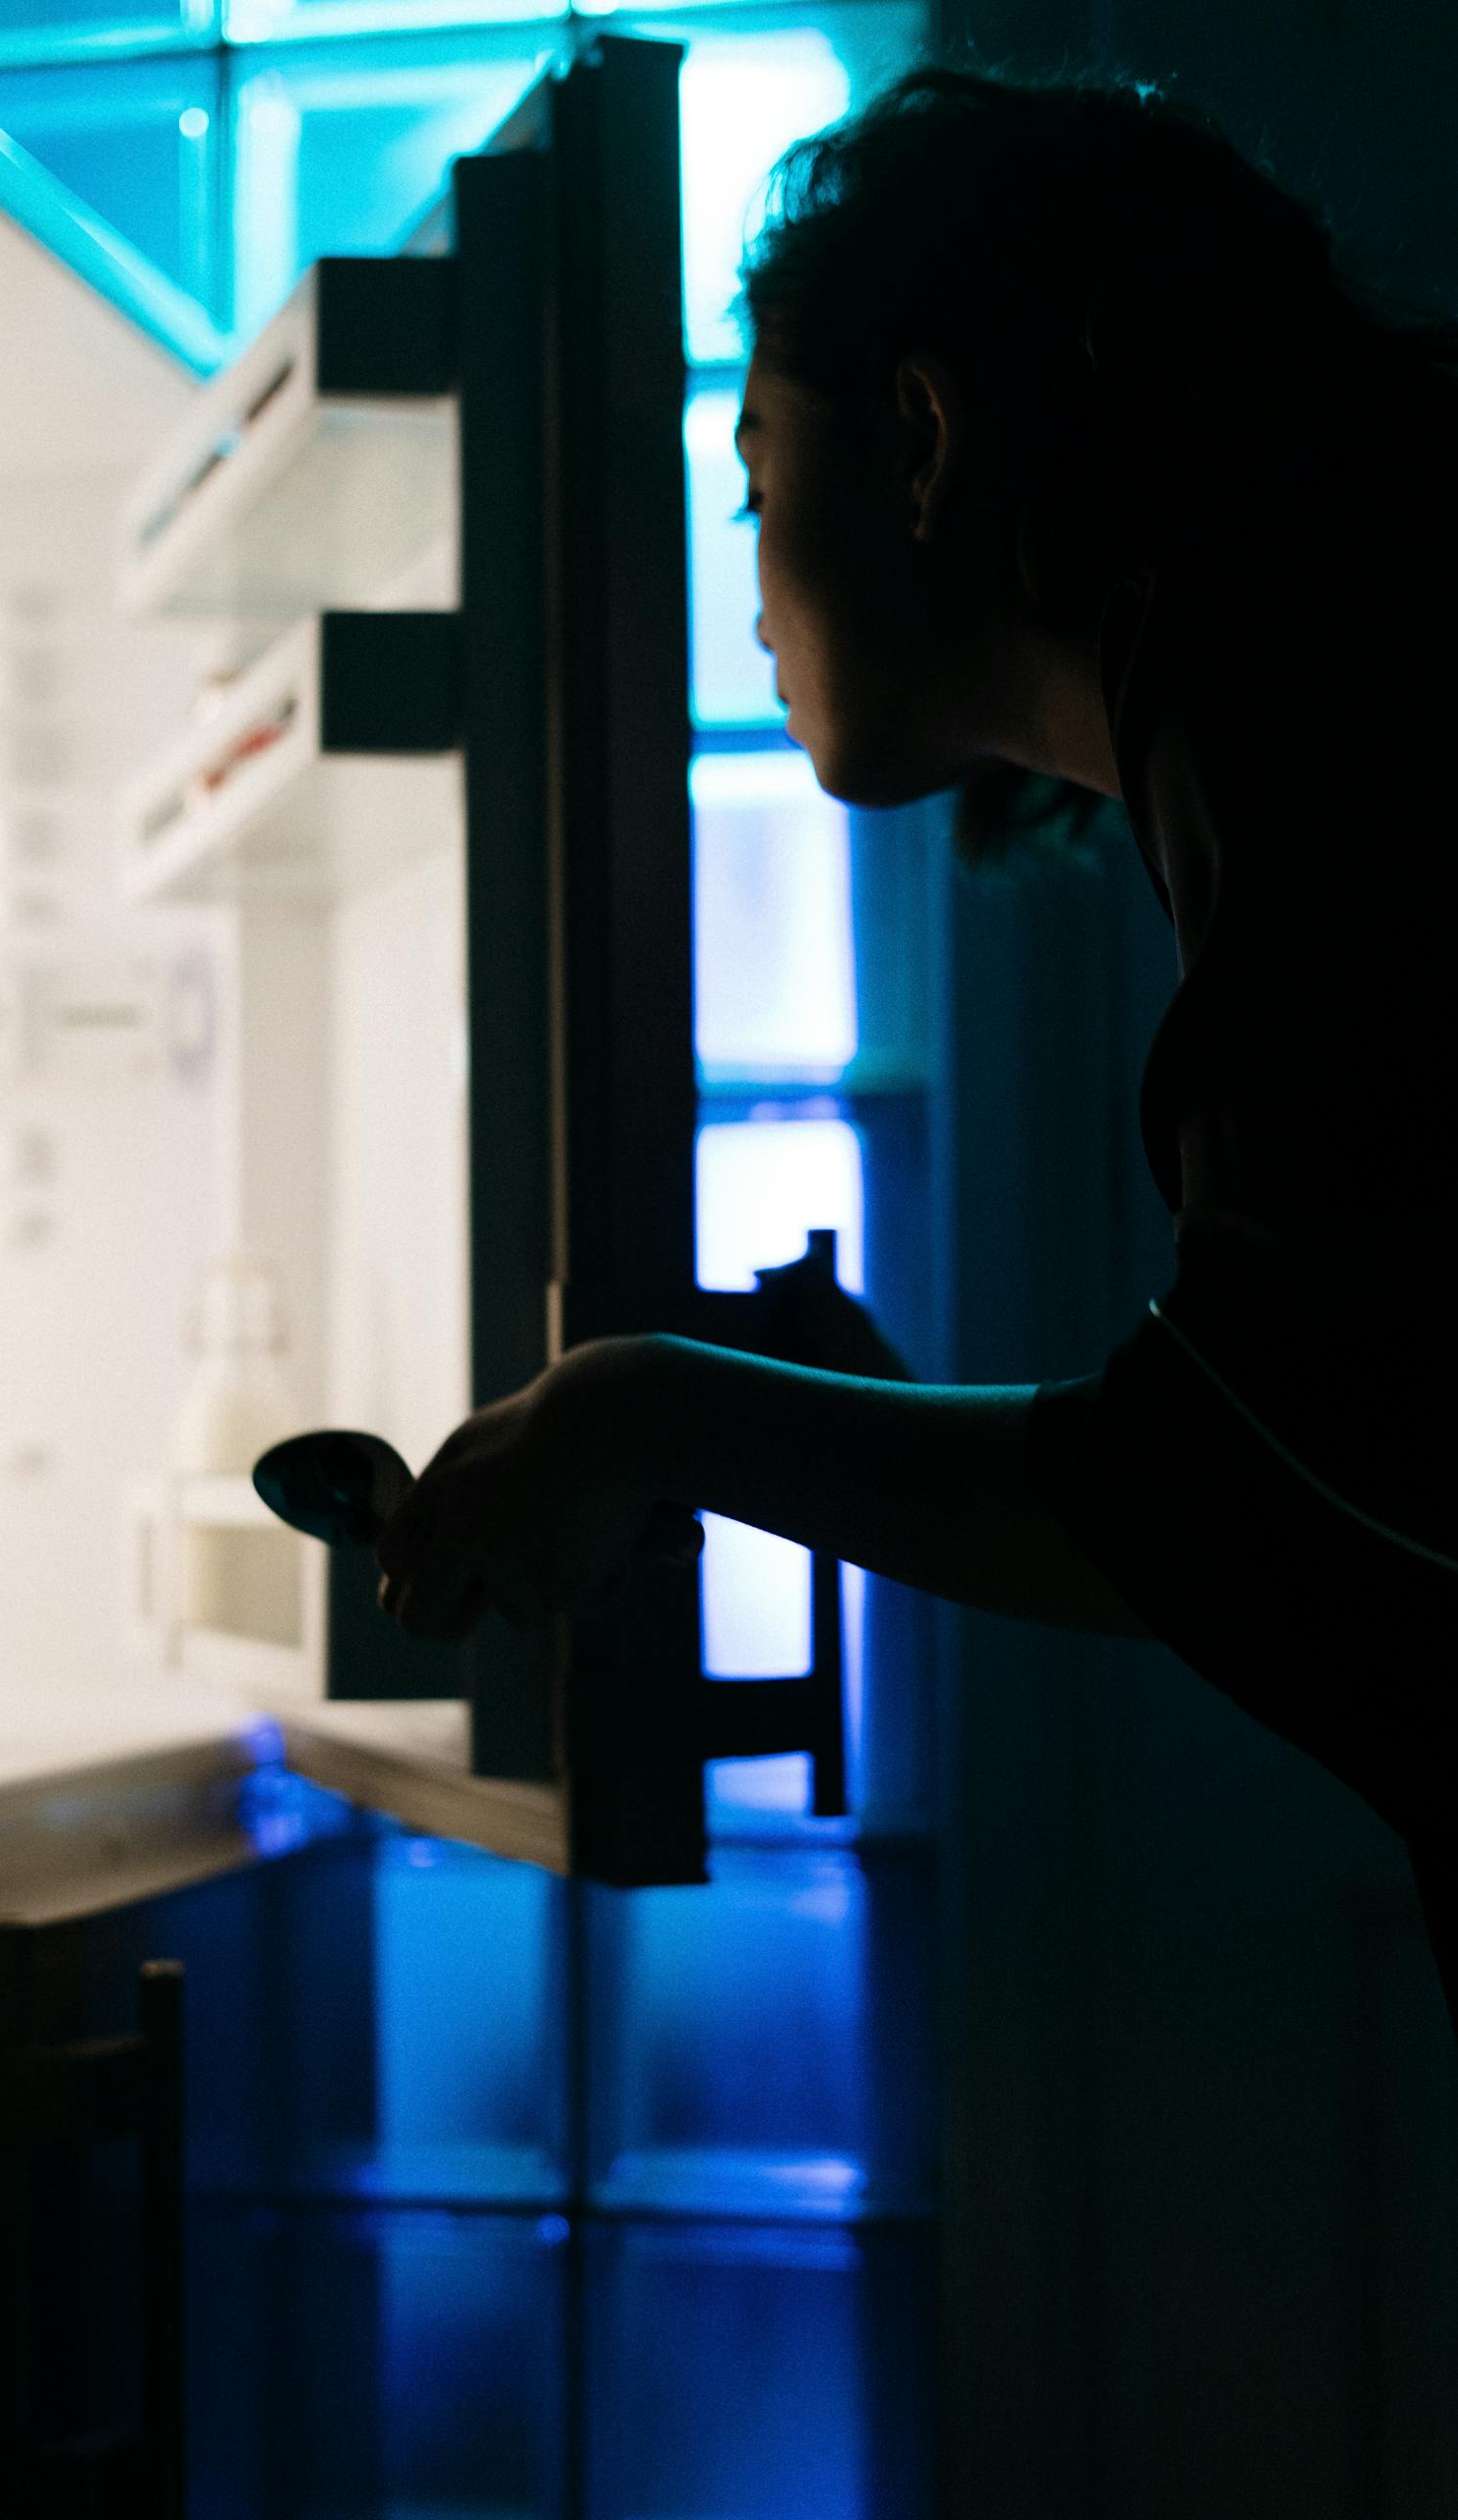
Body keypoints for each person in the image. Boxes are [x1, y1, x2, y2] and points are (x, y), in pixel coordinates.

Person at [374, 62, 1458, 2029]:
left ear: (923, 434)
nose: (752, 580)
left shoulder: (1312, 682)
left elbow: (1267, 1505)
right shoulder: (1323, 627)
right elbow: (1292, 1468)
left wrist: (632, 1403)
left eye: (753, 472)